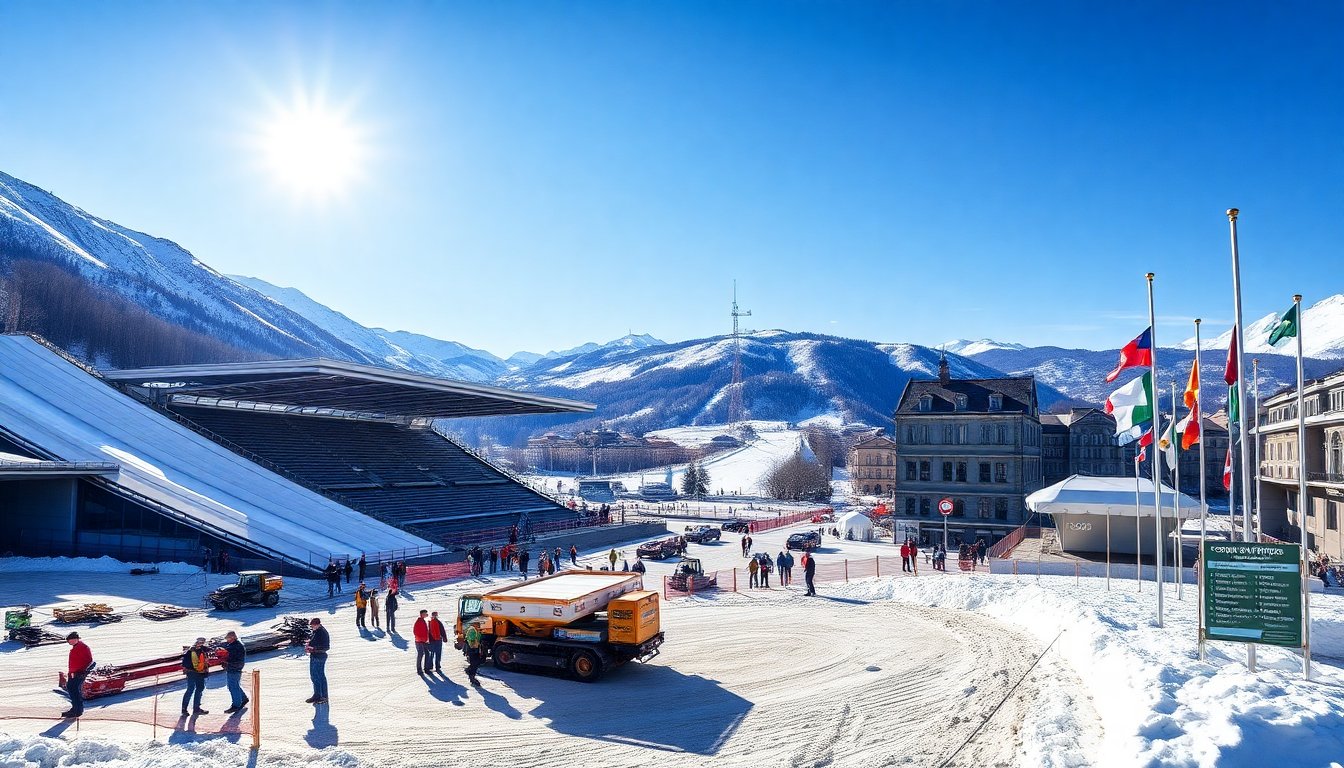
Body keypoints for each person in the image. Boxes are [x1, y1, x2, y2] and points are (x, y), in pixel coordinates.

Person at [62, 631, 93, 718]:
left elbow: (89, 661)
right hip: (73, 673)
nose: (69, 642)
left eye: (70, 640)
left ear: (76, 639)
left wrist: (83, 672)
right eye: (68, 641)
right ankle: (76, 709)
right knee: (72, 689)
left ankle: (77, 710)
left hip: (78, 673)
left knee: (74, 690)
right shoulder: (77, 647)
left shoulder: (83, 648)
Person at [181, 636, 210, 716]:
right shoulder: (190, 651)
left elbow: (208, 650)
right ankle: (185, 709)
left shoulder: (202, 649)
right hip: (193, 673)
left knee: (199, 688)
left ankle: (196, 708)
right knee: (191, 689)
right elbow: (185, 663)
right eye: (200, 642)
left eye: (202, 642)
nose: (201, 643)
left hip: (200, 673)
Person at [223, 630, 248, 714]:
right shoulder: (233, 645)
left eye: (228, 638)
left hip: (234, 668)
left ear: (233, 638)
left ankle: (236, 705)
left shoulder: (235, 646)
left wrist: (226, 662)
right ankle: (243, 699)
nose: (227, 640)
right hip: (233, 667)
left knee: (232, 686)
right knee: (234, 685)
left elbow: (233, 658)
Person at [305, 618, 330, 704]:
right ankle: (317, 695)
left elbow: (326, 647)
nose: (312, 627)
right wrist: (309, 644)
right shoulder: (316, 632)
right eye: (311, 626)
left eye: (313, 626)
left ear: (318, 624)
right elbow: (314, 642)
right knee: (314, 676)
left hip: (320, 657)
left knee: (320, 676)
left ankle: (323, 696)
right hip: (314, 656)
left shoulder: (322, 632)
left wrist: (314, 649)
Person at [464, 621, 483, 687]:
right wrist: (474, 647)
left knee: (475, 663)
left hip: (474, 649)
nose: (479, 626)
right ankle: (472, 677)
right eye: (478, 625)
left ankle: (470, 672)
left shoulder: (475, 630)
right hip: (473, 649)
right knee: (474, 663)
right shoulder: (472, 630)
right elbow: (471, 640)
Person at [413, 609, 431, 675]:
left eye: (426, 613)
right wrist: (421, 639)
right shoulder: (419, 621)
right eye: (425, 613)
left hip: (423, 641)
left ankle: (426, 668)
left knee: (427, 653)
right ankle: (419, 669)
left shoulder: (423, 620)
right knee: (420, 654)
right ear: (421, 614)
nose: (426, 614)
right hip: (419, 641)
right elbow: (415, 632)